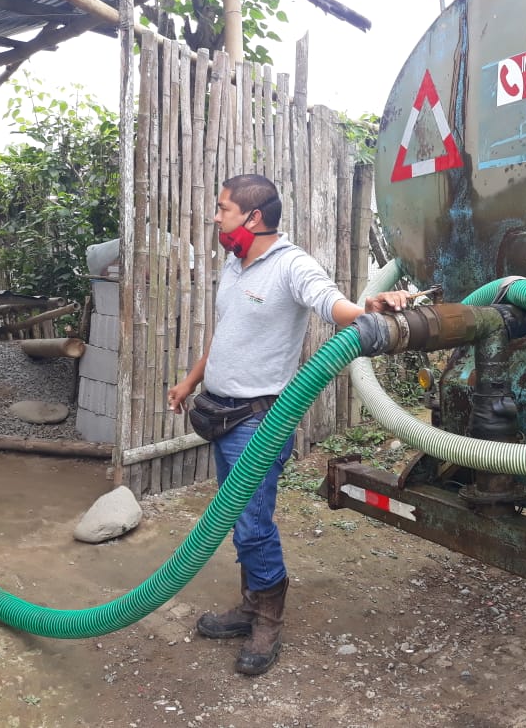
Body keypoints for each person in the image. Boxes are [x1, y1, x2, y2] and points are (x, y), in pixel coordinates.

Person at [167, 173, 408, 676]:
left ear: (253, 217)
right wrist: (190, 381)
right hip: (220, 411)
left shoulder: (292, 265)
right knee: (237, 517)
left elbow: (331, 304)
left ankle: (267, 620)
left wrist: (366, 309)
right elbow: (226, 333)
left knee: (252, 523)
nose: (215, 217)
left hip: (259, 421)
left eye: (223, 208)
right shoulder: (234, 264)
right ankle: (250, 605)